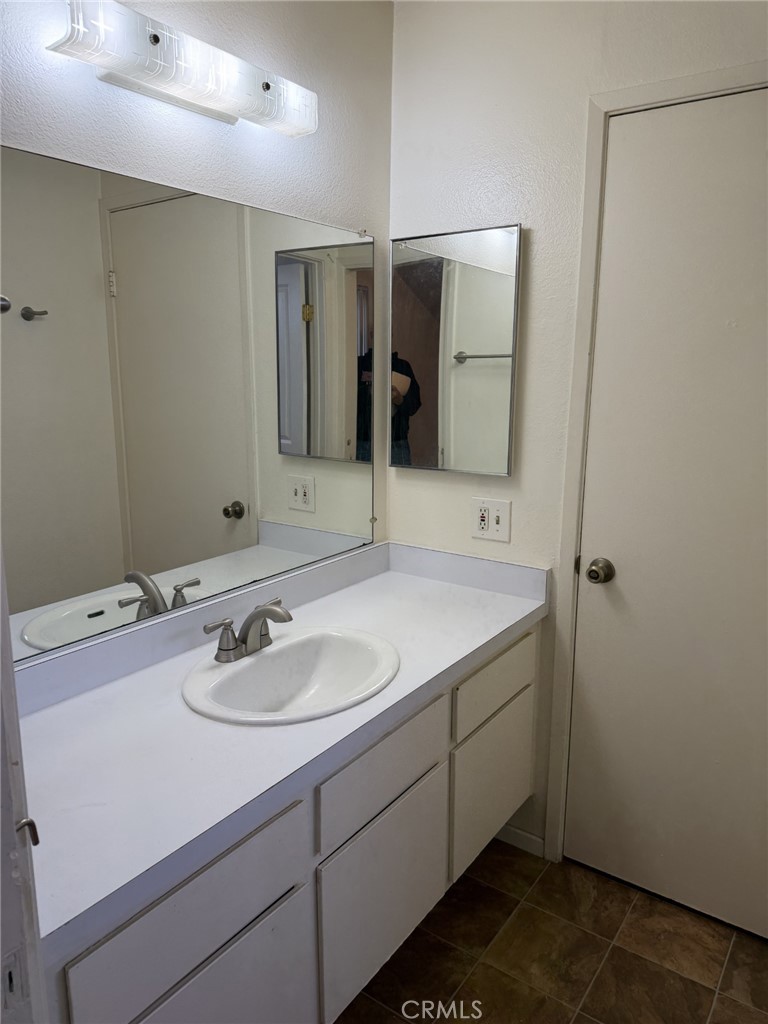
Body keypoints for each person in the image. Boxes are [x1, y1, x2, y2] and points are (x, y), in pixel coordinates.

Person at [356, 349, 421, 464]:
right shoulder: (359, 364)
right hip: (362, 441)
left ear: (391, 334)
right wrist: (369, 391)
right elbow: (346, 401)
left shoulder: (402, 366)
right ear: (371, 334)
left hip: (396, 442)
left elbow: (414, 405)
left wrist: (400, 400)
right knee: (361, 481)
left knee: (399, 482)